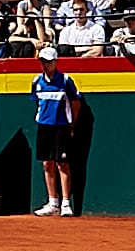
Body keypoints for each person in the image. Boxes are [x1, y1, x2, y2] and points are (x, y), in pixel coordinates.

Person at [27, 60, 91, 218]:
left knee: (62, 164)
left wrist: (71, 125)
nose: (45, 65)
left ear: (55, 63)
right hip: (43, 126)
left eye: (48, 62)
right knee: (47, 163)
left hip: (61, 126)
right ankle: (53, 202)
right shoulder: (36, 81)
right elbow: (38, 103)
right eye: (42, 62)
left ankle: (66, 203)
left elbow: (76, 105)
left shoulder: (65, 80)